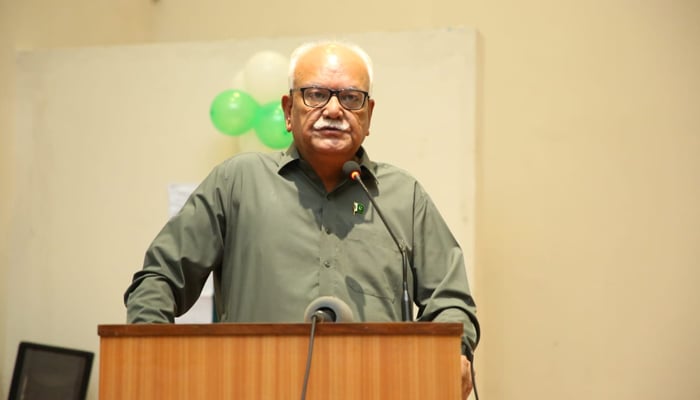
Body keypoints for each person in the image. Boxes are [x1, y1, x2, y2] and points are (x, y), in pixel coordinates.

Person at [124, 40, 480, 398]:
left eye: (351, 98)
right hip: (253, 387)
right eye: (315, 95)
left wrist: (454, 350)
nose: (334, 110)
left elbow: (450, 302)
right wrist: (147, 353)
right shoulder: (237, 182)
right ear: (287, 109)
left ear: (368, 114)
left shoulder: (403, 197)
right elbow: (159, 279)